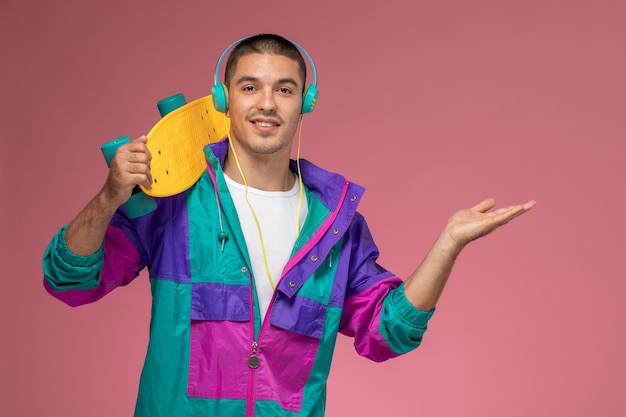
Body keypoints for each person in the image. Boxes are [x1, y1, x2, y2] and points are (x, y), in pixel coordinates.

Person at [42, 34, 535, 417]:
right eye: (249, 87)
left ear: (306, 102)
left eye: (285, 89)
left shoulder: (335, 225)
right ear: (223, 99)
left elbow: (386, 333)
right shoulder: (174, 203)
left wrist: (447, 243)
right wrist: (110, 197)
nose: (267, 104)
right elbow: (70, 281)